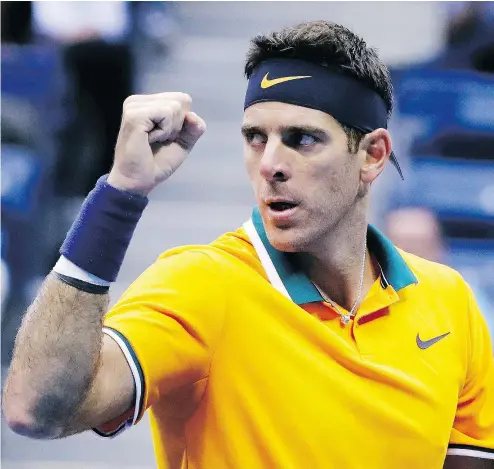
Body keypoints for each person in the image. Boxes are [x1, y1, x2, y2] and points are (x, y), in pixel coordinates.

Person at [3, 21, 494, 469]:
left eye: (302, 139)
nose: (270, 164)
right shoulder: (201, 285)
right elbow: (36, 409)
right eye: (256, 138)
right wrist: (119, 196)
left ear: (371, 155)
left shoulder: (449, 303)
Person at [385, 205, 494, 340]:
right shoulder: (368, 294)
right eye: (398, 246)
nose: (406, 256)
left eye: (416, 246)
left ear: (438, 249)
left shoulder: (464, 294)